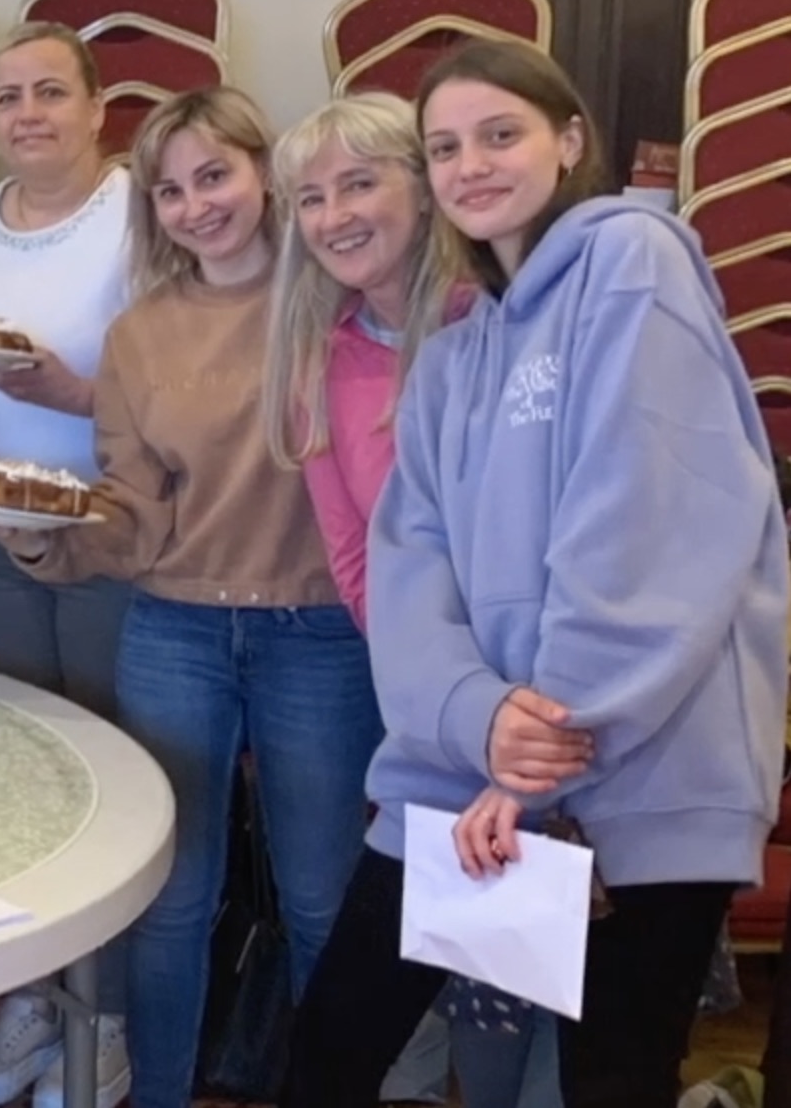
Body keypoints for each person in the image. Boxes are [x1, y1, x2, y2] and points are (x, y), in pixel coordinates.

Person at [279, 41, 788, 1107]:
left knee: (610, 1079)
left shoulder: (630, 262)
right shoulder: (455, 356)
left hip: (638, 771)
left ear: (566, 140)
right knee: (329, 1048)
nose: (471, 164)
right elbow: (407, 564)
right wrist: (474, 721)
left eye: (499, 134)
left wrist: (532, 751)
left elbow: (645, 523)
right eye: (444, 146)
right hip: (461, 771)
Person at [0, 87, 383, 1108]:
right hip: (175, 627)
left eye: (214, 175)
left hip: (320, 633)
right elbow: (130, 515)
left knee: (318, 900)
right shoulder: (140, 335)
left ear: (263, 175)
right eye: (168, 190)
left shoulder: (340, 305)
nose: (195, 204)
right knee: (169, 901)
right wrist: (40, 535)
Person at [263, 95, 558, 1108]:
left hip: (556, 725)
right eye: (309, 197)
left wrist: (515, 721)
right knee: (339, 1040)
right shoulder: (318, 352)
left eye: (358, 183)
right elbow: (358, 564)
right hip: (436, 735)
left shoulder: (508, 325)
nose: (334, 214)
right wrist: (445, 700)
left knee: (526, 1042)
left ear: (421, 190)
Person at [0, 23, 138, 1108]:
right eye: (6, 97)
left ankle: (107, 1017)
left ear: (99, 106)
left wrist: (69, 396)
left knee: (114, 771)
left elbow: (189, 387)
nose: (28, 114)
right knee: (20, 770)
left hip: (109, 533)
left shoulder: (144, 213)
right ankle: (29, 999)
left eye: (51, 91)